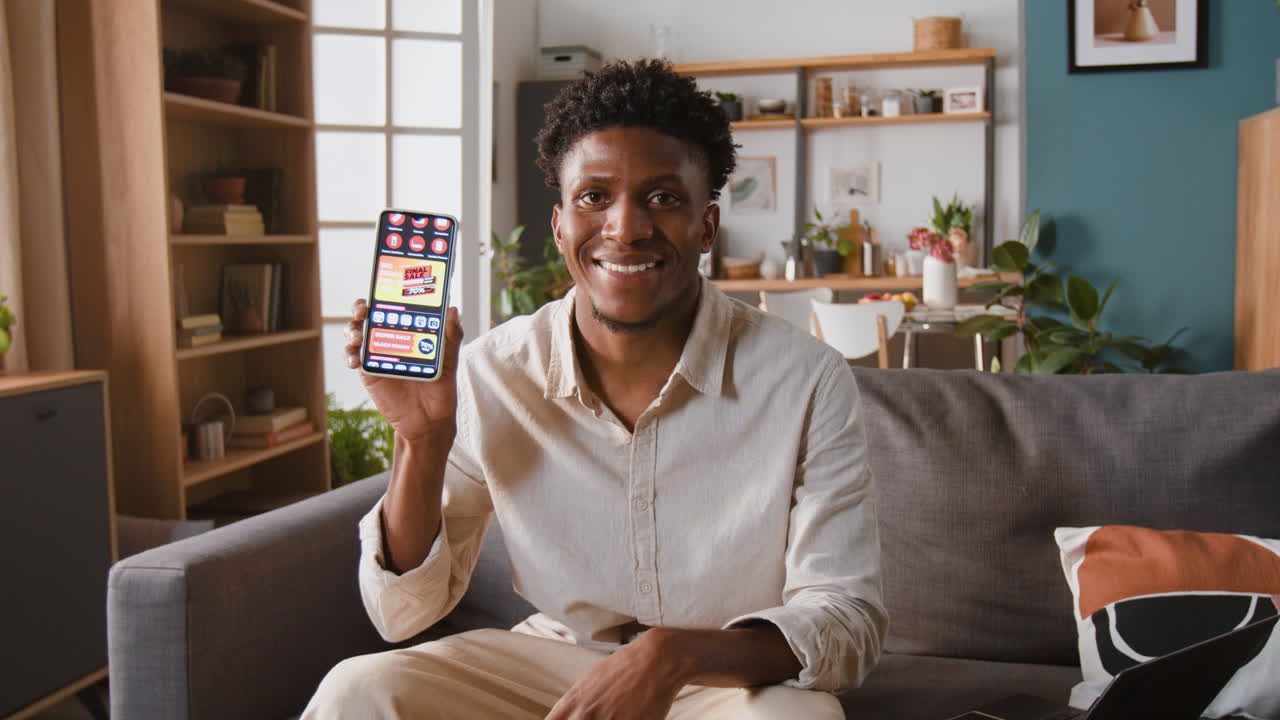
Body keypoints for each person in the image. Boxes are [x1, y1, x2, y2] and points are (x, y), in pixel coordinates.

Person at [303, 58, 886, 719]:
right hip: (552, 665)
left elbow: (845, 618)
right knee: (358, 692)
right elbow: (403, 611)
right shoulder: (494, 371)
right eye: (594, 197)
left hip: (727, 681)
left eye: (663, 198)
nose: (626, 227)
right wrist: (422, 438)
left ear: (706, 226)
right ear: (559, 227)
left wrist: (672, 656)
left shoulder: (806, 380)